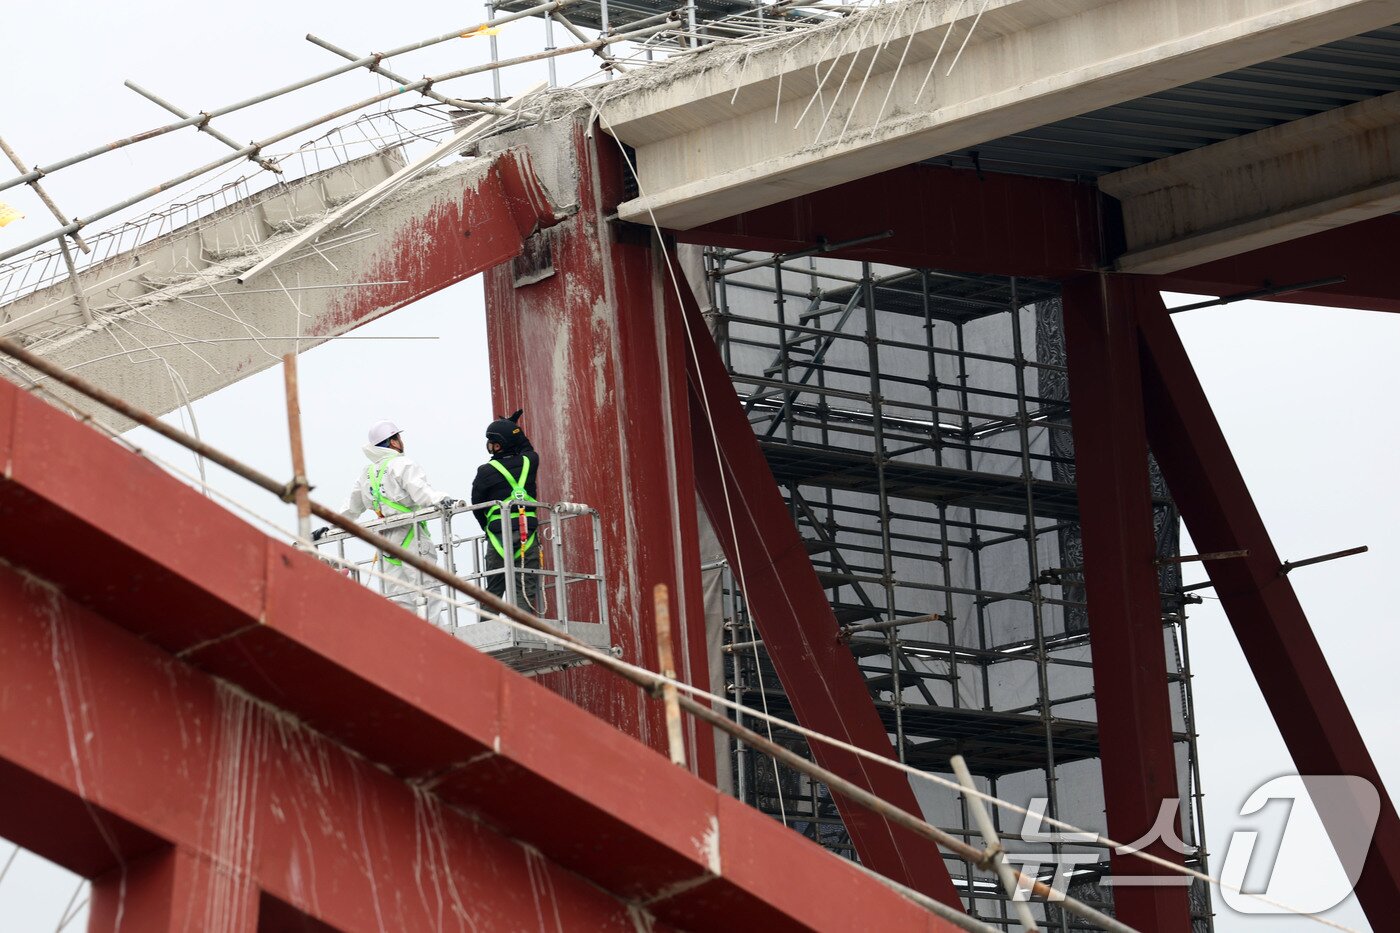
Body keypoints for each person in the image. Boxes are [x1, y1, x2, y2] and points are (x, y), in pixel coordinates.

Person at [314, 419, 458, 625]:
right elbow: (421, 492)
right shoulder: (402, 464)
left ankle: (408, 638)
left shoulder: (368, 474)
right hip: (412, 535)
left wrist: (331, 527)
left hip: (386, 539)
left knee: (399, 594)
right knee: (427, 590)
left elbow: (351, 508)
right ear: (393, 442)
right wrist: (441, 499)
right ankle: (437, 638)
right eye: (398, 437)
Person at [471, 409, 543, 613]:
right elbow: (526, 446)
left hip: (497, 536)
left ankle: (487, 628)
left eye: (492, 443)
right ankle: (525, 628)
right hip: (526, 534)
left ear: (497, 445)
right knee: (525, 588)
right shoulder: (530, 462)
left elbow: (477, 506)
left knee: (493, 590)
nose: (490, 447)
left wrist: (488, 529)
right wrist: (514, 429)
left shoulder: (485, 472)